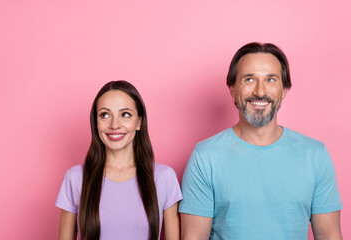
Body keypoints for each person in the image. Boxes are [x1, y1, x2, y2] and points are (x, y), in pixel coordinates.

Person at [179, 42, 343, 239]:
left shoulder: (315, 155)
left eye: (271, 80)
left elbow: (329, 235)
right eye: (249, 79)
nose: (260, 91)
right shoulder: (205, 157)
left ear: (283, 90)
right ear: (232, 88)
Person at [56, 80, 182, 240]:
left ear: (139, 122)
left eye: (125, 114)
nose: (114, 125)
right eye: (105, 115)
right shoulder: (75, 178)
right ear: (96, 123)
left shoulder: (164, 178)